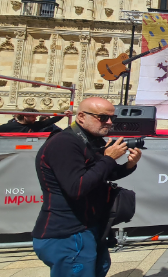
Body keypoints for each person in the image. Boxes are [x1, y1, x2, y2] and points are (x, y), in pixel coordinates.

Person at [31, 97, 141, 277]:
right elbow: (77, 187)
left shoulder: (90, 140)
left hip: (88, 227)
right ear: (81, 116)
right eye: (103, 118)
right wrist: (108, 158)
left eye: (113, 118)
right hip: (67, 232)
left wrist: (128, 165)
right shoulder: (64, 143)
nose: (110, 123)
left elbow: (101, 175)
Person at [0, 107, 72, 133]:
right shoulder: (8, 127)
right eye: (33, 117)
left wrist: (63, 114)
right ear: (25, 116)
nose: (35, 119)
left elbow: (49, 121)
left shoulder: (35, 125)